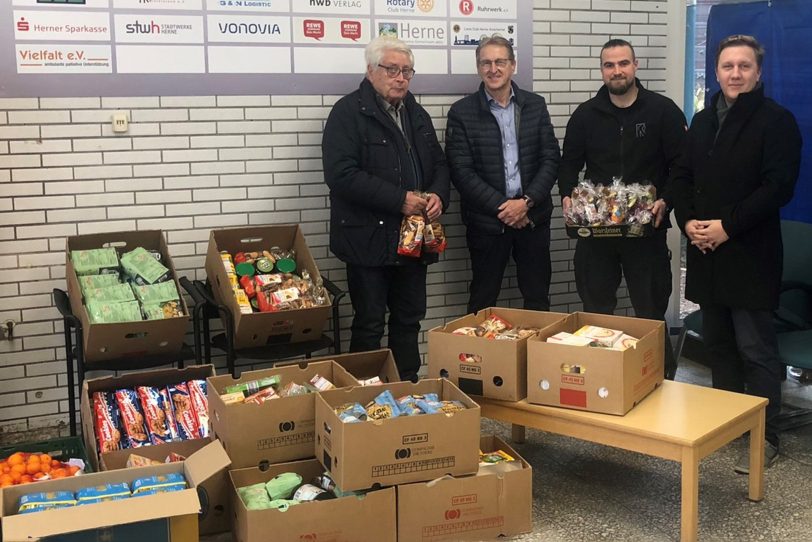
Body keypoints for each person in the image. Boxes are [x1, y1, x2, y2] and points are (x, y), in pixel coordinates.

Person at [671, 34, 802, 472]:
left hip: (749, 251)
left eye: (744, 66)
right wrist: (688, 222)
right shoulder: (704, 119)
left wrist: (728, 226)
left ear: (758, 72)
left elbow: (777, 188)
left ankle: (766, 437)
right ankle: (727, 424)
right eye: (728, 66)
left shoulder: (776, 121)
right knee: (720, 347)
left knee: (756, 350)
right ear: (717, 71)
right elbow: (682, 176)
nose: (735, 74)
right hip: (707, 250)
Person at [321, 36, 450, 381]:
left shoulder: (416, 113)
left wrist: (438, 194)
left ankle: (406, 391)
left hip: (413, 241)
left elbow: (438, 164)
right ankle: (361, 398)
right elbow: (341, 176)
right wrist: (400, 200)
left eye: (407, 71)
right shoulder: (347, 112)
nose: (400, 78)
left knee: (409, 319)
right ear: (370, 70)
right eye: (392, 69)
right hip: (368, 241)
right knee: (369, 323)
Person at [557, 39, 687, 380]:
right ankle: (602, 379)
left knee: (650, 312)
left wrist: (666, 200)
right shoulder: (585, 115)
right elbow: (568, 165)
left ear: (635, 66)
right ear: (602, 70)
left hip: (646, 233)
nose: (617, 71)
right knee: (597, 312)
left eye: (623, 63)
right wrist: (567, 197)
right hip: (596, 235)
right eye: (609, 65)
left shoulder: (663, 111)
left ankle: (661, 382)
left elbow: (681, 166)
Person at [446, 35, 560, 314]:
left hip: (532, 219)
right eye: (486, 62)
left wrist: (526, 202)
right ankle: (482, 358)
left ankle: (536, 358)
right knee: (482, 301)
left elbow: (551, 158)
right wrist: (505, 208)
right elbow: (461, 172)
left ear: (513, 66)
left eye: (500, 62)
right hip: (487, 223)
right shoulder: (462, 113)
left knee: (537, 299)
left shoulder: (535, 105)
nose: (493, 69)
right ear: (478, 67)